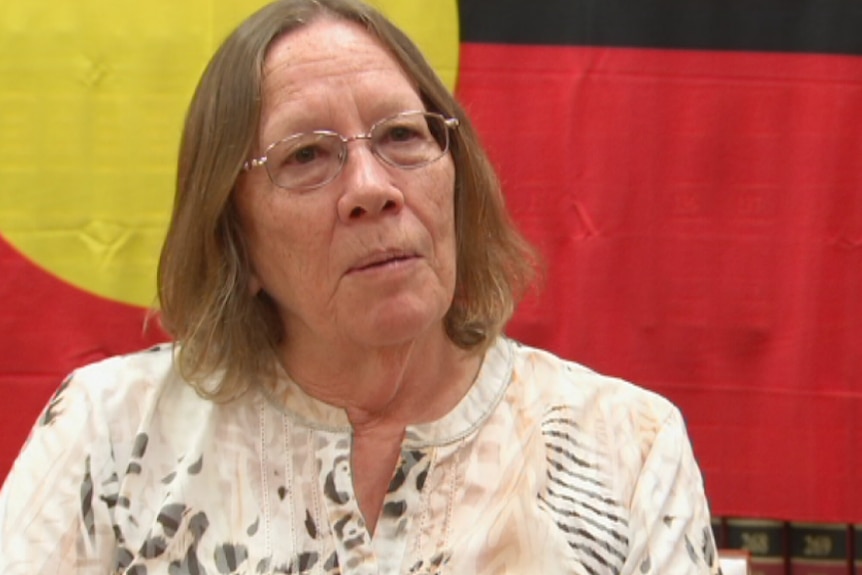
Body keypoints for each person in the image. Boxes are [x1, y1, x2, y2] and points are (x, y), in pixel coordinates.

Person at [0, 0, 719, 573]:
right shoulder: (112, 430)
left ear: (456, 178)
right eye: (307, 154)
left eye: (402, 137)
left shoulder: (627, 443)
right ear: (235, 240)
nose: (371, 189)